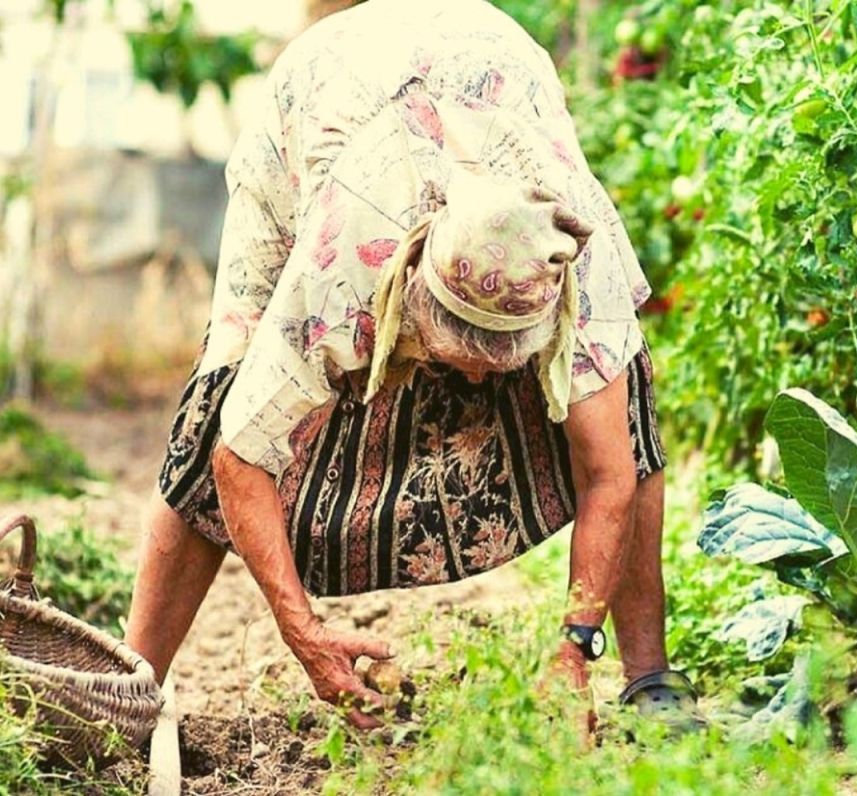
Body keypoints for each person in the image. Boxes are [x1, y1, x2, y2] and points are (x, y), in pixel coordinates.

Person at [124, 0, 701, 731]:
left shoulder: (581, 266)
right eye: (459, 357)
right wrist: (303, 632)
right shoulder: (343, 258)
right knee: (220, 395)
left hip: (495, 67)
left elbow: (609, 474)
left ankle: (649, 677)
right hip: (325, 96)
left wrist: (573, 651)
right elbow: (239, 455)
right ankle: (133, 681)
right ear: (408, 289)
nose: (470, 384)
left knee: (627, 418)